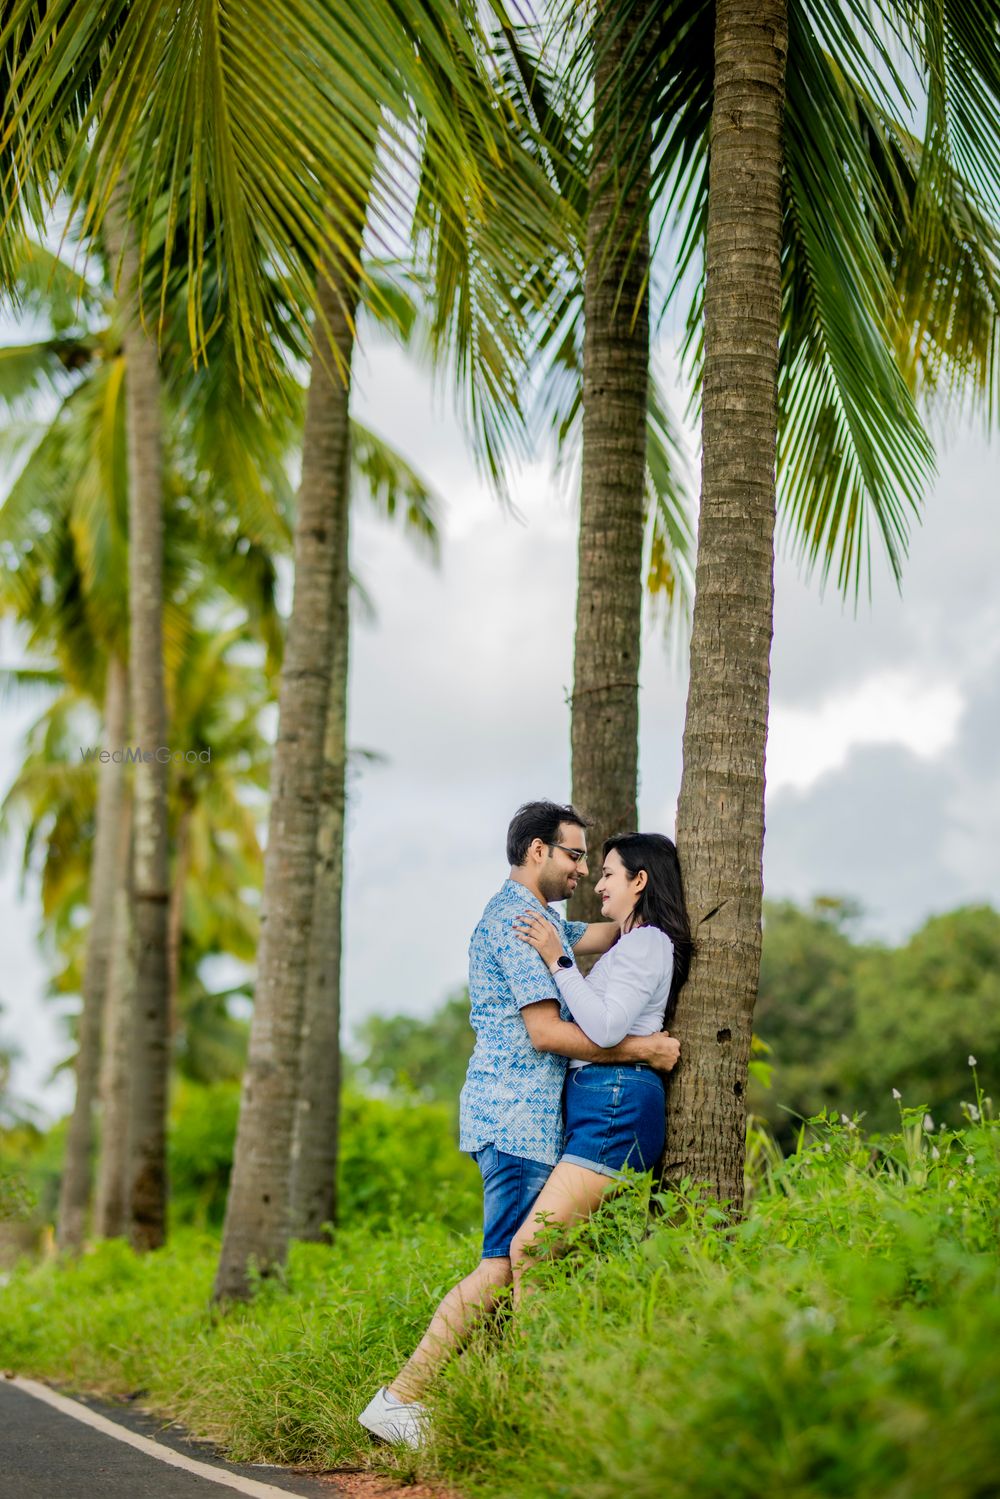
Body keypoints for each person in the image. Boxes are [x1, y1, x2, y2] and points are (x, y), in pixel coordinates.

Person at [358, 802, 681, 1448]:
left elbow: (598, 936)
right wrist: (642, 1050)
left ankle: (510, 1403)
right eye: (574, 855)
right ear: (538, 850)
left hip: (536, 1121)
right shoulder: (514, 925)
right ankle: (404, 1398)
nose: (583, 870)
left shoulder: (543, 922)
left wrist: (636, 912)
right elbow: (544, 1031)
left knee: (524, 1265)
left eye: (598, 862)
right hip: (515, 1118)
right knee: (504, 1265)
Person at [509, 832, 692, 1305]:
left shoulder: (648, 941)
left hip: (615, 1104)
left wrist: (557, 958)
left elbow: (607, 1028)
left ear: (641, 881)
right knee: (563, 1256)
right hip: (604, 1104)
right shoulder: (634, 942)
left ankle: (538, 1373)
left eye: (609, 874)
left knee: (529, 1249)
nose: (599, 885)